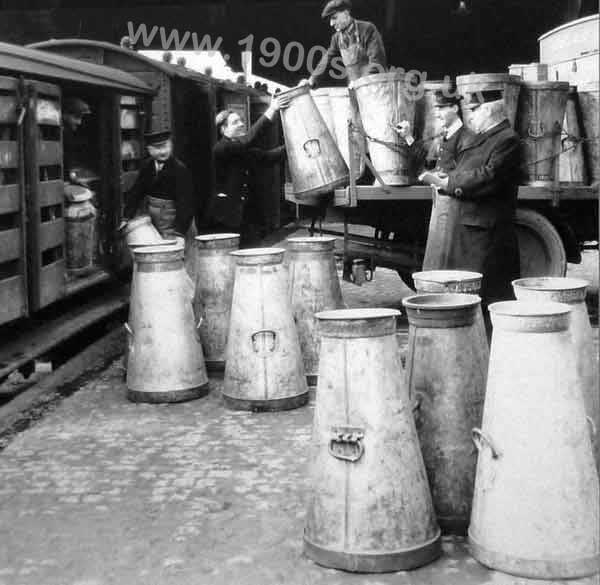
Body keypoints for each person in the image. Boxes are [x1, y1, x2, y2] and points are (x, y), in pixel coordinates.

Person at [425, 89, 521, 306]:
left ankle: (488, 339)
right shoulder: (486, 137)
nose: (471, 117)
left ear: (487, 111)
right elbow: (467, 168)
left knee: (487, 296)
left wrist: (448, 183)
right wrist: (448, 176)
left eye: (474, 111)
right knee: (470, 295)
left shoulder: (507, 139)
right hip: (474, 230)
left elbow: (489, 176)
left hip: (488, 235)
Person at [208, 94, 289, 243]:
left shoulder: (239, 147)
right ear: (223, 129)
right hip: (227, 215)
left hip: (245, 213)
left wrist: (293, 144)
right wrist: (271, 109)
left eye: (241, 121)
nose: (241, 124)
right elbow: (249, 139)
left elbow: (267, 157)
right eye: (235, 122)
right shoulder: (222, 148)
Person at [122, 130, 195, 240]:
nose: (163, 152)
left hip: (179, 226)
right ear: (149, 149)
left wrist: (179, 233)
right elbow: (137, 192)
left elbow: (186, 205)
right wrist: (126, 217)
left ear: (171, 146)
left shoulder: (180, 170)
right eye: (157, 148)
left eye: (166, 147)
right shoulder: (147, 166)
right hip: (158, 223)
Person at [301, 0, 387, 88]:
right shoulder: (336, 38)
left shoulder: (367, 29)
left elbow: (377, 62)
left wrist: (361, 83)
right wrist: (312, 79)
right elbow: (325, 60)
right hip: (354, 89)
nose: (331, 24)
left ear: (346, 14)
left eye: (334, 18)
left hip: (375, 87)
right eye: (330, 20)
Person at [62, 97, 92, 180]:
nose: (79, 122)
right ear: (64, 115)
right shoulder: (55, 134)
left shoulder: (69, 135)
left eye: (81, 118)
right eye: (76, 117)